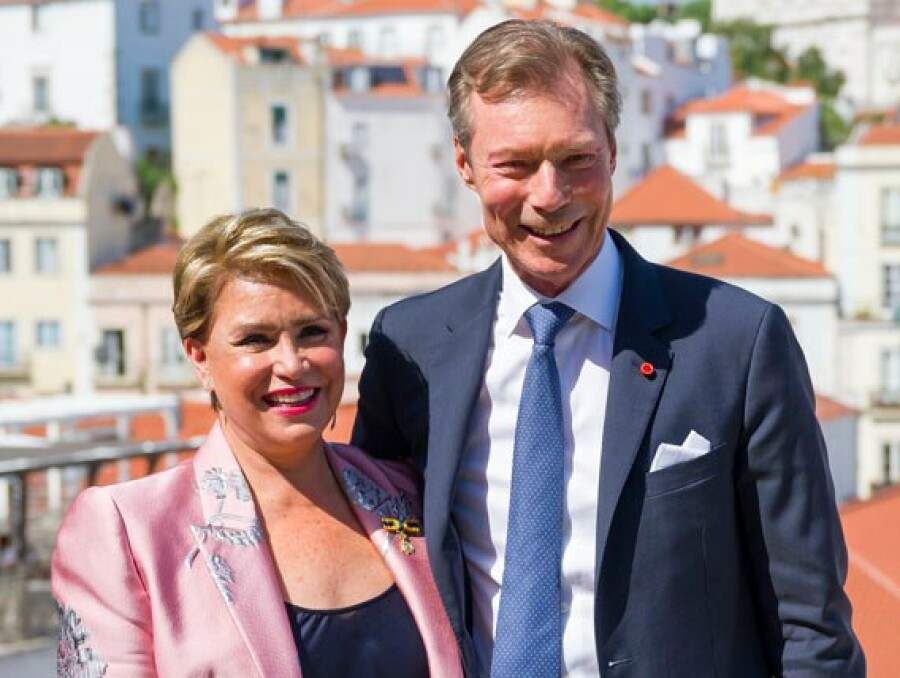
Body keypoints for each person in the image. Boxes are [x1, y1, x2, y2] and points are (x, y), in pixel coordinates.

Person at [352, 20, 865, 678]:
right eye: (515, 164)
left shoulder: (736, 343)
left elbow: (811, 626)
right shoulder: (408, 347)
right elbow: (376, 571)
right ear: (465, 165)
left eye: (575, 160)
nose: (549, 195)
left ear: (614, 151)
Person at [52, 209, 462, 677]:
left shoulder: (409, 492)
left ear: (342, 336)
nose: (291, 363)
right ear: (200, 357)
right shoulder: (128, 531)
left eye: (312, 332)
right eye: (256, 340)